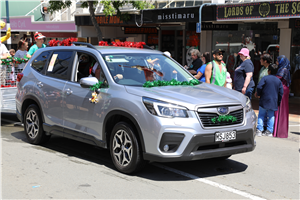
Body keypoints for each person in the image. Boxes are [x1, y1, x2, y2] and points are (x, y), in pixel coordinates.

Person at [256, 64, 283, 137]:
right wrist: (279, 101)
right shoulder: (278, 81)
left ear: (269, 71)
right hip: (273, 100)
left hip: (264, 99)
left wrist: (259, 94)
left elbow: (259, 86)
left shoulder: (265, 78)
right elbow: (281, 92)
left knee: (261, 114)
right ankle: (269, 131)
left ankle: (259, 130)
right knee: (271, 116)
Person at [273, 55, 291, 138]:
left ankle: (279, 131)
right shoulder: (285, 69)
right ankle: (280, 131)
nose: (277, 62)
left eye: (278, 60)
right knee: (282, 109)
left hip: (282, 90)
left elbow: (277, 78)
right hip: (284, 89)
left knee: (280, 109)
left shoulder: (283, 69)